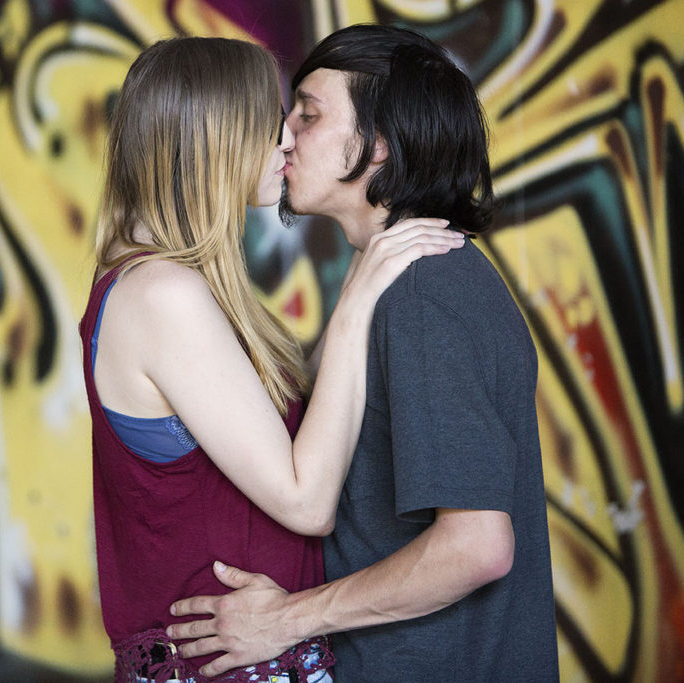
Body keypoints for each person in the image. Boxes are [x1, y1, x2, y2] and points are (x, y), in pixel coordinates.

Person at [167, 25, 559, 682]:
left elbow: (477, 545)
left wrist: (286, 618)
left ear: (377, 145)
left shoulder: (423, 291)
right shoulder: (408, 281)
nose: (284, 136)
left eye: (309, 115)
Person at [79, 36, 463, 681]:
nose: (287, 140)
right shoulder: (161, 294)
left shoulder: (160, 284)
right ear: (213, 136)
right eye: (270, 121)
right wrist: (358, 294)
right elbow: (307, 501)